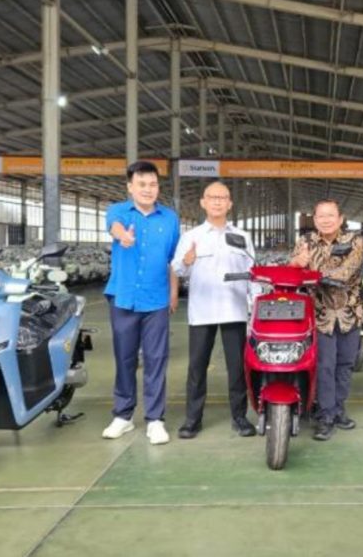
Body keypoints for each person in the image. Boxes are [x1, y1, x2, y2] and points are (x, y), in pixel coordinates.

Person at [101, 161, 180, 445]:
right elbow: (115, 227)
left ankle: (155, 420)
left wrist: (173, 292)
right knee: (124, 358)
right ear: (130, 187)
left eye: (153, 184)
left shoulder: (170, 218)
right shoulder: (119, 211)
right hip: (123, 296)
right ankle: (123, 416)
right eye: (142, 184)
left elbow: (173, 259)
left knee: (156, 359)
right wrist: (123, 236)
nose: (148, 189)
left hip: (156, 299)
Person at [172, 181, 257, 439]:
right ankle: (192, 420)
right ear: (203, 202)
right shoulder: (191, 236)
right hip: (202, 311)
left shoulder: (242, 237)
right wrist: (187, 261)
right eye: (212, 197)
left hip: (234, 310)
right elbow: (177, 269)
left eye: (222, 198)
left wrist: (255, 305)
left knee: (237, 367)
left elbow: (252, 273)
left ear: (230, 204)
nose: (217, 202)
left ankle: (240, 417)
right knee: (197, 367)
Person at [289, 198, 363, 441]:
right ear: (315, 219)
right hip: (319, 314)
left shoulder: (355, 240)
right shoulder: (306, 241)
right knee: (324, 365)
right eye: (321, 216)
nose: (326, 220)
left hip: (350, 313)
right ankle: (325, 415)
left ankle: (338, 409)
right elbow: (292, 271)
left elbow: (347, 272)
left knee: (346, 364)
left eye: (331, 215)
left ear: (340, 219)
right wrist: (297, 264)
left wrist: (311, 273)